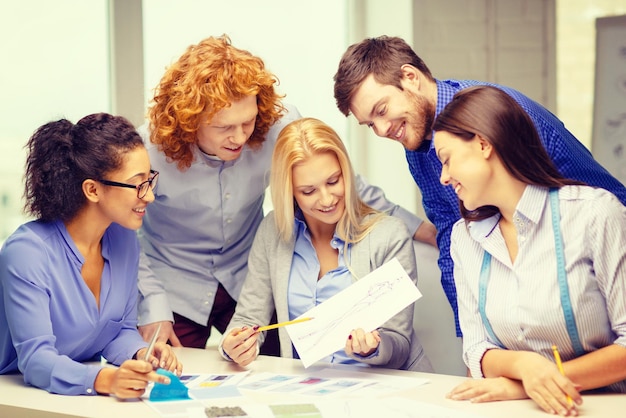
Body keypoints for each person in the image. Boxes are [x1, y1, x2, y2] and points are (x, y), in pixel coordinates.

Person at [137, 34, 435, 351]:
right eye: (224, 127)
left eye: (247, 122)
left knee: (273, 369)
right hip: (173, 287)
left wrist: (419, 228)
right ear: (190, 121)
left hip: (247, 276)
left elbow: (341, 180)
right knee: (170, 383)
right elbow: (120, 232)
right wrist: (151, 303)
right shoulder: (148, 151)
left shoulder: (277, 126)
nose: (239, 138)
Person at [333, 35, 626, 337]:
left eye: (381, 110)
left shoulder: (504, 114)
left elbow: (604, 203)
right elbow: (449, 233)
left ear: (410, 78)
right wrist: (473, 345)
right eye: (369, 124)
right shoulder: (417, 144)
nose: (381, 131)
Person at [431, 86, 626, 415]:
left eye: (447, 160)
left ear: (483, 143)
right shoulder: (463, 239)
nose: (444, 177)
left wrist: (530, 383)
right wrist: (524, 366)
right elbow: (476, 350)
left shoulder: (594, 213)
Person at [219, 117, 433, 372]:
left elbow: (399, 344)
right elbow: (248, 318)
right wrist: (234, 345)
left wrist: (373, 347)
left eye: (333, 181)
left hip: (385, 388)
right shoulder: (272, 232)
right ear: (290, 192)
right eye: (308, 191)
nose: (327, 199)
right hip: (310, 387)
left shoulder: (389, 235)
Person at [0, 113, 182, 397]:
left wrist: (141, 354)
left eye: (150, 180)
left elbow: (117, 330)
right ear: (93, 190)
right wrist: (105, 380)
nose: (149, 196)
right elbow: (35, 360)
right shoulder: (27, 252)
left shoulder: (124, 239)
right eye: (138, 184)